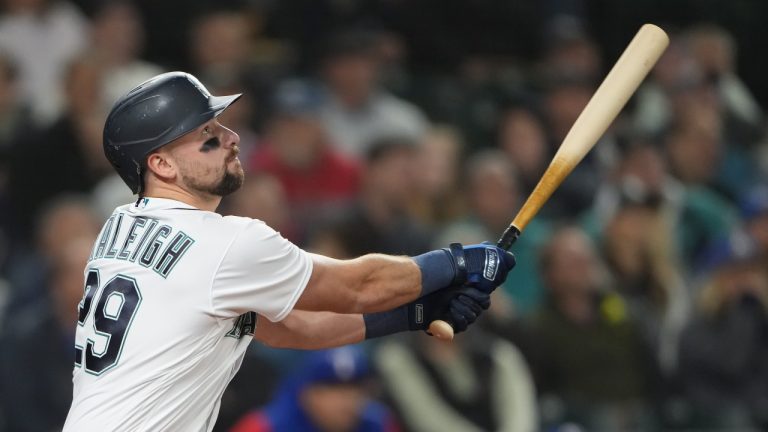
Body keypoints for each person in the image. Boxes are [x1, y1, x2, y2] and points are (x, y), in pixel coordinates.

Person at [62, 71, 516, 431]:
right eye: (207, 133)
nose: (231, 137)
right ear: (160, 164)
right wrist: (458, 262)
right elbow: (358, 286)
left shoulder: (119, 226)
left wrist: (414, 313)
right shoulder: (224, 242)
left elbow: (285, 328)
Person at [230, 346, 399, 432]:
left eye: (355, 388)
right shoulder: (264, 426)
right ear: (306, 391)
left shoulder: (379, 423)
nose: (347, 399)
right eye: (333, 387)